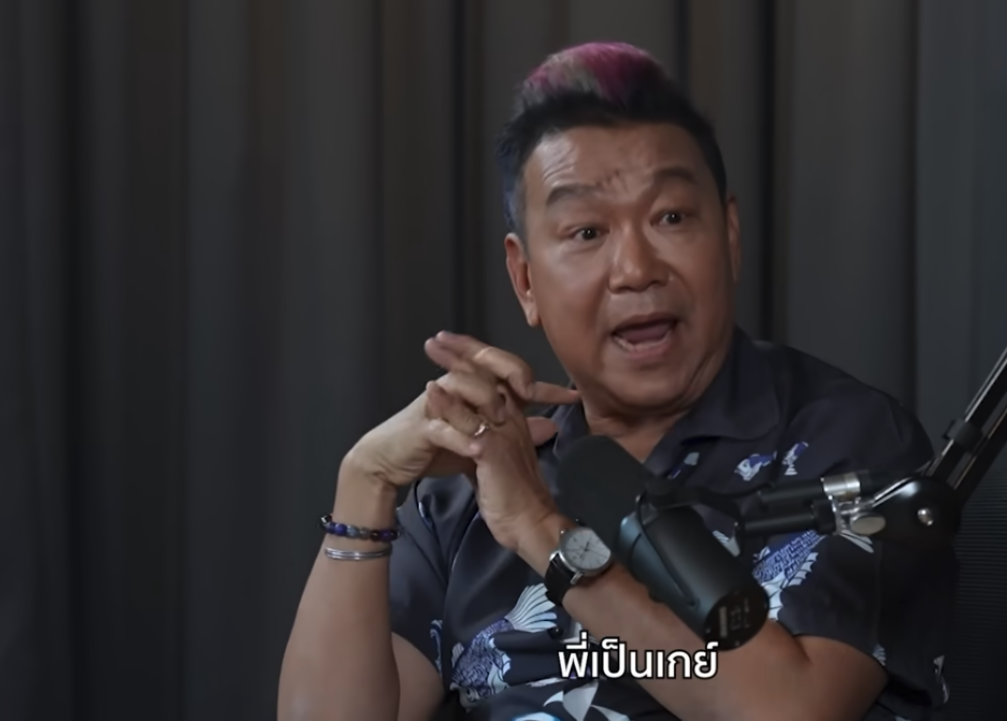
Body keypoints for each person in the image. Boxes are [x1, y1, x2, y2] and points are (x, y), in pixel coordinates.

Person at [278, 41, 954, 721]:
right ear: (525, 280)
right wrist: (365, 483)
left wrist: (541, 530)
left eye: (671, 217)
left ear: (729, 236)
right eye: (586, 232)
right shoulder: (468, 490)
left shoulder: (845, 445)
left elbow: (787, 711)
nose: (635, 268)